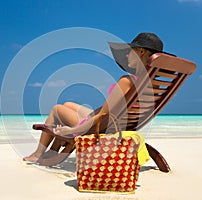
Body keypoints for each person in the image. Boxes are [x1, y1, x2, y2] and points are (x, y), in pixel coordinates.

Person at [23, 32, 166, 162]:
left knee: (57, 109)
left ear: (141, 52)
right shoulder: (153, 84)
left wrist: (71, 131)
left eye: (130, 51)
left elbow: (102, 115)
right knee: (68, 104)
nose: (127, 55)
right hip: (121, 123)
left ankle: (39, 153)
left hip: (102, 126)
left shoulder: (127, 81)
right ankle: (54, 149)